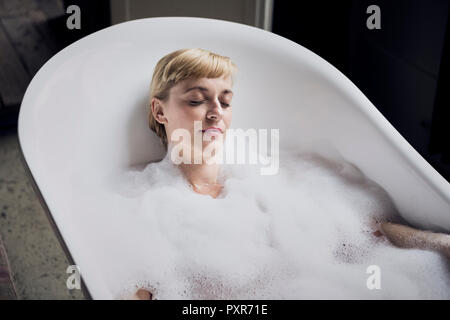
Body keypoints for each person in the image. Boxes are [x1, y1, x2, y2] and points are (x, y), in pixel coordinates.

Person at [127, 48, 450, 300]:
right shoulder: (145, 204)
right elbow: (141, 287)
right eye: (197, 100)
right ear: (159, 111)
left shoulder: (267, 175)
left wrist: (436, 242)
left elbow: (363, 233)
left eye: (225, 102)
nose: (216, 112)